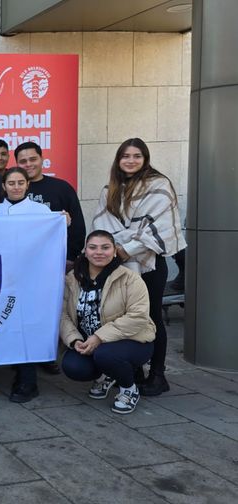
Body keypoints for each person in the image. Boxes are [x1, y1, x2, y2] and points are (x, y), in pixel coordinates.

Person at [93, 138, 185, 396]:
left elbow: (161, 228)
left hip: (149, 265)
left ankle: (158, 375)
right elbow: (103, 224)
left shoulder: (159, 185)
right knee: (121, 316)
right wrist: (116, 249)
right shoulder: (109, 189)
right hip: (118, 264)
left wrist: (127, 249)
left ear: (145, 158)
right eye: (125, 156)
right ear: (118, 159)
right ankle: (133, 372)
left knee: (151, 317)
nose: (130, 160)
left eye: (136, 156)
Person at [60, 231, 155, 415]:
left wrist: (99, 337)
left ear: (114, 251)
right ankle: (106, 375)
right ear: (85, 251)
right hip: (89, 342)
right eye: (93, 247)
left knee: (106, 355)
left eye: (105, 247)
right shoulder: (72, 279)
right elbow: (62, 315)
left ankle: (129, 389)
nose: (99, 252)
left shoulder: (130, 278)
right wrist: (74, 340)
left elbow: (138, 316)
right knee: (73, 367)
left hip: (133, 341)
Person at [0, 168, 53, 403]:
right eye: (11, 183)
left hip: (32, 278)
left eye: (20, 182)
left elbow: (51, 240)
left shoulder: (42, 211)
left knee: (28, 326)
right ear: (3, 186)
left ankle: (27, 381)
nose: (16, 187)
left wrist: (62, 220)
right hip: (3, 278)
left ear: (27, 185)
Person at [15, 141, 85, 267]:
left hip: (59, 260)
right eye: (23, 161)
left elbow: (77, 227)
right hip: (21, 261)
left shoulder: (62, 188)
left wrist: (70, 257)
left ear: (42, 159)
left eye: (33, 159)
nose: (28, 164)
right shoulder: (12, 192)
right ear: (17, 164)